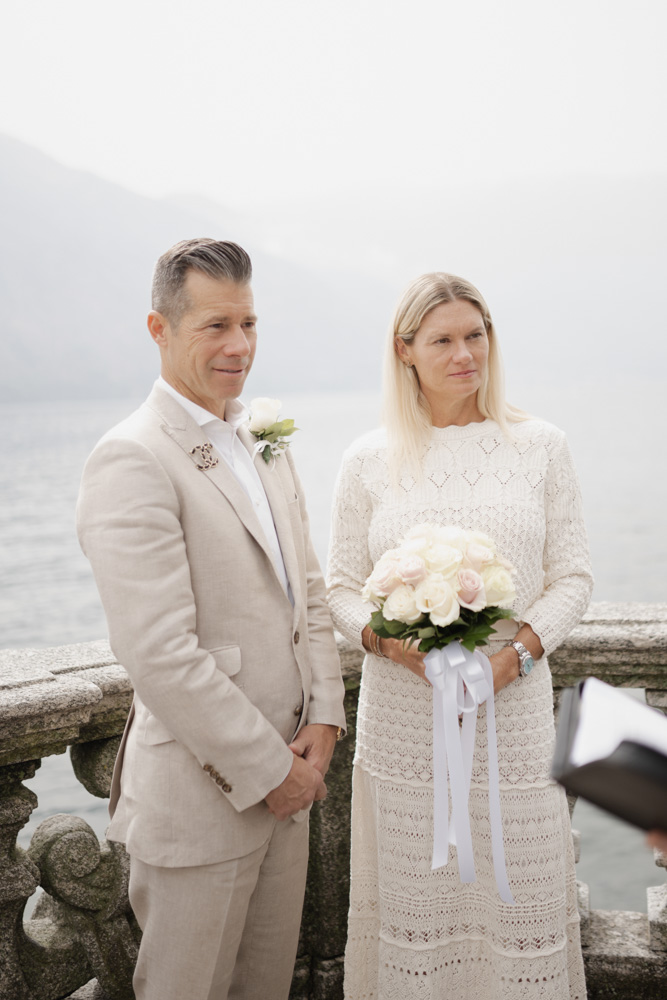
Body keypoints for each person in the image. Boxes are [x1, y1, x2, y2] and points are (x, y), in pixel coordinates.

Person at [77, 238, 346, 1000]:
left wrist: (325, 715)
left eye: (249, 324)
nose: (240, 347)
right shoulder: (130, 458)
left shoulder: (264, 440)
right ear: (159, 330)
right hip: (204, 804)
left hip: (293, 782)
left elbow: (311, 593)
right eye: (216, 327)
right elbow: (158, 653)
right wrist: (272, 774)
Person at [327, 272, 593, 999]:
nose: (463, 353)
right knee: (418, 909)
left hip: (513, 722)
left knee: (521, 905)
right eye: (442, 339)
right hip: (403, 726)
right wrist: (390, 646)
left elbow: (572, 577)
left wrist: (516, 655)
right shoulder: (366, 460)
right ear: (405, 350)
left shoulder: (539, 446)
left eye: (474, 335)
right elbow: (341, 588)